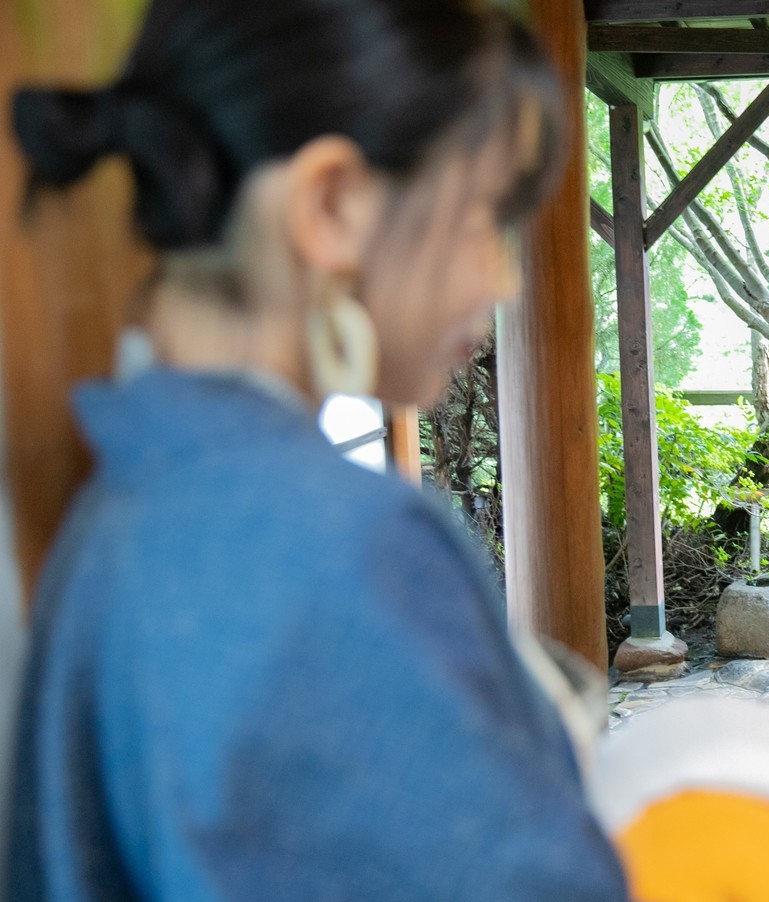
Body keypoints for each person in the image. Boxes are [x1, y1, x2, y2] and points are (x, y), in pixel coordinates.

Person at [5, 2, 629, 898]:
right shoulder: (343, 544)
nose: (502, 278)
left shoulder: (134, 504)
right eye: (488, 217)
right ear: (331, 204)